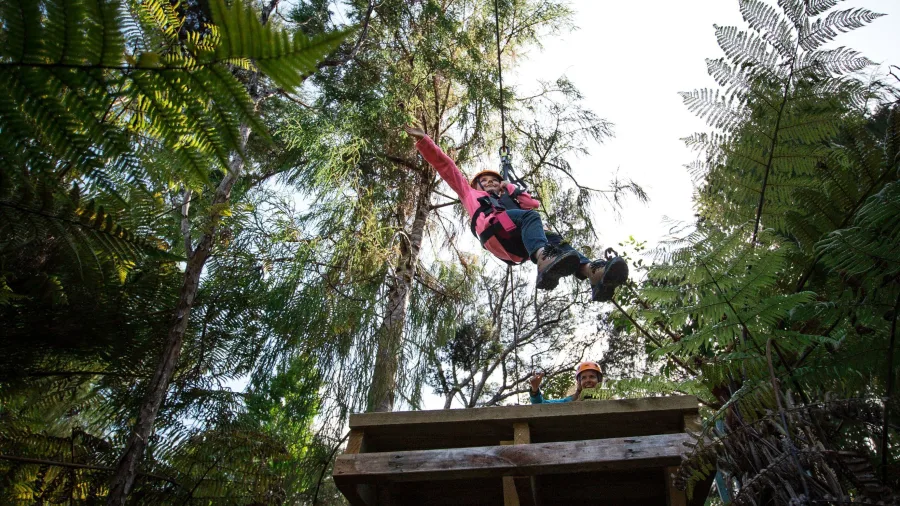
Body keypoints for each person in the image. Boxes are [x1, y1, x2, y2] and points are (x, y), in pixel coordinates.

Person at [404, 125, 628, 302]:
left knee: (559, 242)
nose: (490, 183)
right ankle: (543, 259)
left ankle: (592, 272)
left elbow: (533, 203)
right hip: (495, 232)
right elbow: (447, 168)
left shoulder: (509, 198)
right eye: (485, 181)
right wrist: (425, 141)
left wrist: (510, 188)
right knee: (532, 220)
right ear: (477, 186)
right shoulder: (469, 194)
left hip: (517, 241)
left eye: (494, 181)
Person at [529, 361, 611, 403]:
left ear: (599, 380)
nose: (588, 381)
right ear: (579, 383)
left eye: (592, 377)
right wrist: (535, 389)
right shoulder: (570, 402)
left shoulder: (609, 399)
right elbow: (542, 405)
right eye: (583, 378)